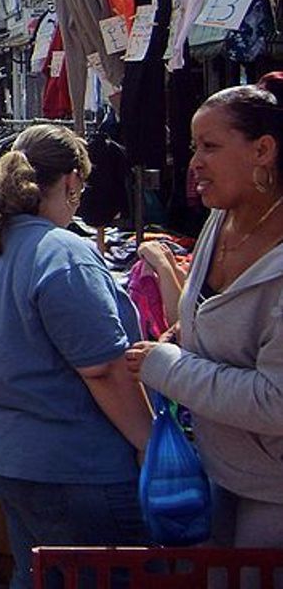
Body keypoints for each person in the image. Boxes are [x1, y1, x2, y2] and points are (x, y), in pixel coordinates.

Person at [0, 125, 150, 589]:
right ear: (68, 183)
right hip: (77, 465)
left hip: (8, 457)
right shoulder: (63, 253)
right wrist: (152, 445)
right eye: (79, 192)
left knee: (38, 575)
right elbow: (103, 368)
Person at [126, 77, 283, 547]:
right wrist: (184, 334)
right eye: (194, 146)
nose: (193, 163)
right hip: (217, 470)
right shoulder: (222, 218)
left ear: (263, 150)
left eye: (209, 147)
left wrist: (167, 365)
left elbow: (275, 403)